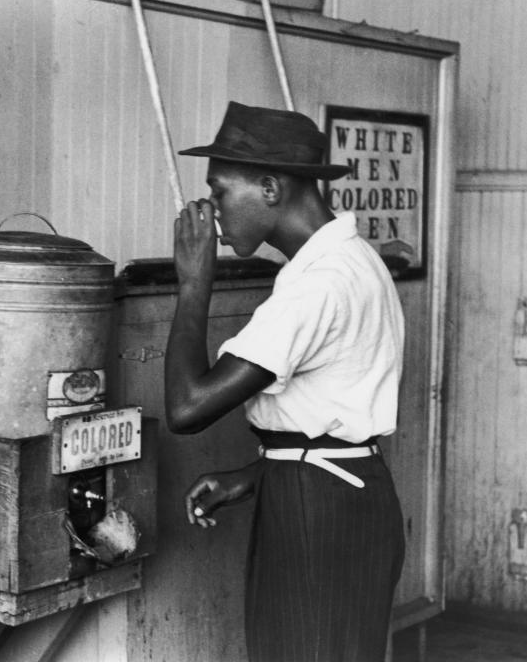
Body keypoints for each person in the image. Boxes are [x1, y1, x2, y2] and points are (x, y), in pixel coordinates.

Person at [164, 101, 406, 662]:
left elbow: (187, 407)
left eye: (220, 192)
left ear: (270, 188)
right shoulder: (353, 260)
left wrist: (194, 283)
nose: (213, 211)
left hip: (318, 513)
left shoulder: (317, 286)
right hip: (344, 492)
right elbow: (334, 415)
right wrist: (257, 475)